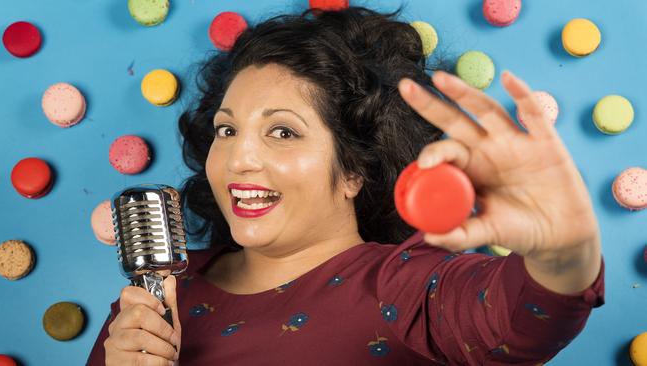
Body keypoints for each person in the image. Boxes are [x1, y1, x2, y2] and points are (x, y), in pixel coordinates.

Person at [87, 5, 605, 365]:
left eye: (283, 132)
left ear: (355, 167)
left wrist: (564, 240)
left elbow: (525, 317)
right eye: (228, 129)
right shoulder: (152, 302)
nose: (237, 159)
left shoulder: (400, 288)